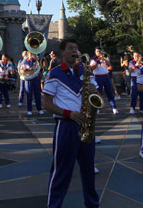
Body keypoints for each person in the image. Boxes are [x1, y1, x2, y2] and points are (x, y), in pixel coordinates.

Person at [43, 38, 99, 208]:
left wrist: (93, 91)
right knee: (61, 171)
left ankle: (92, 204)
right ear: (63, 52)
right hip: (66, 127)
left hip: (85, 125)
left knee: (89, 170)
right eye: (70, 48)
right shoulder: (54, 73)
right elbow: (47, 104)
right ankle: (54, 205)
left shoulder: (85, 71)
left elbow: (96, 94)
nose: (74, 51)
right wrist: (69, 114)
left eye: (76, 48)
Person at [89, 47, 118, 114]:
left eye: (99, 51)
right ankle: (98, 108)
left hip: (106, 76)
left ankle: (114, 108)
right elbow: (92, 68)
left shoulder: (105, 57)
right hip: (98, 77)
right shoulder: (93, 59)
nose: (98, 52)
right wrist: (97, 61)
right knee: (98, 93)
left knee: (110, 92)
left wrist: (105, 60)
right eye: (97, 51)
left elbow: (110, 66)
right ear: (95, 52)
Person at [20, 51, 44, 116]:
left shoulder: (36, 61)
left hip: (35, 78)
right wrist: (28, 69)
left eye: (33, 54)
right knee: (29, 95)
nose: (32, 55)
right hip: (28, 79)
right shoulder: (25, 61)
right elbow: (21, 70)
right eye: (30, 54)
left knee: (38, 94)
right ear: (28, 54)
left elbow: (41, 67)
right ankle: (29, 110)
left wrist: (37, 60)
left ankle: (39, 109)